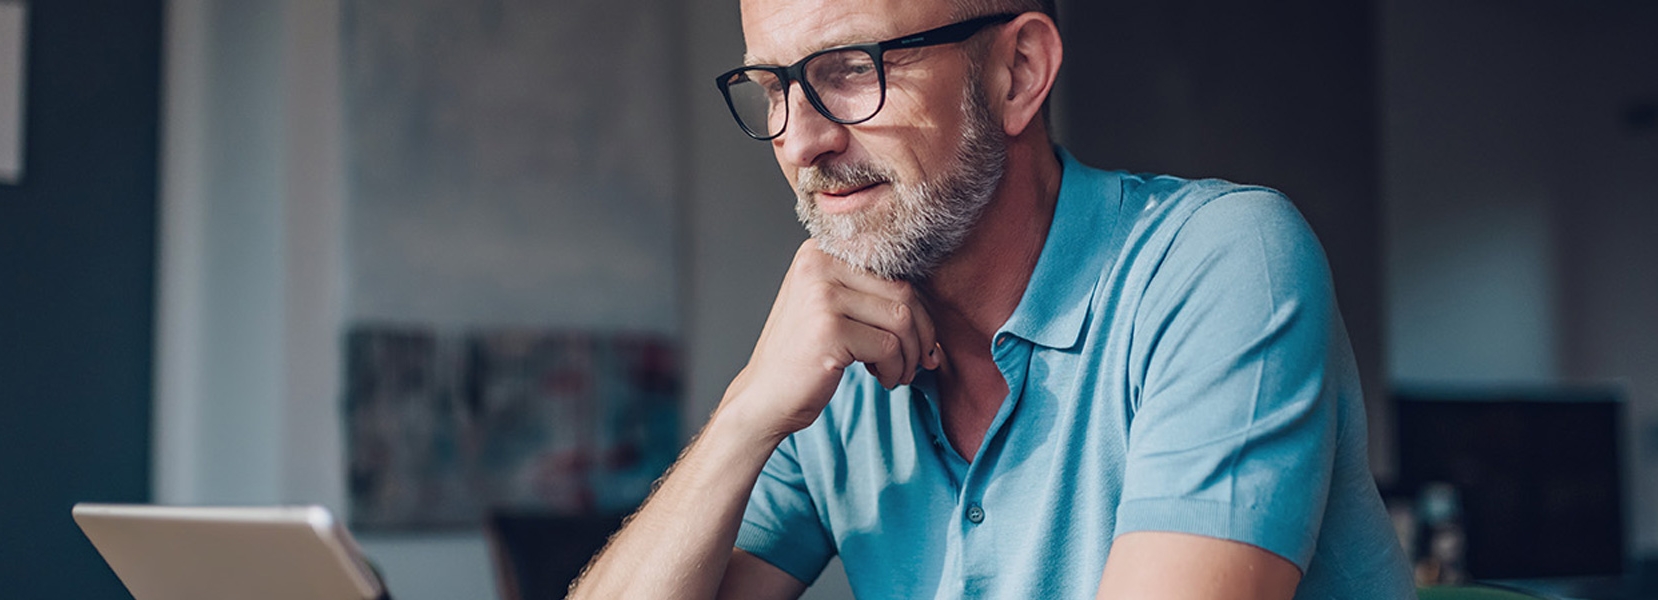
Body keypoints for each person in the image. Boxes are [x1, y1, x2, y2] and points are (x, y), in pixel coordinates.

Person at [570, 0, 1417, 596]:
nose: (801, 139)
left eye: (852, 71)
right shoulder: (831, 362)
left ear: (1019, 71)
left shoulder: (1223, 263)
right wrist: (746, 412)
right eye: (772, 88)